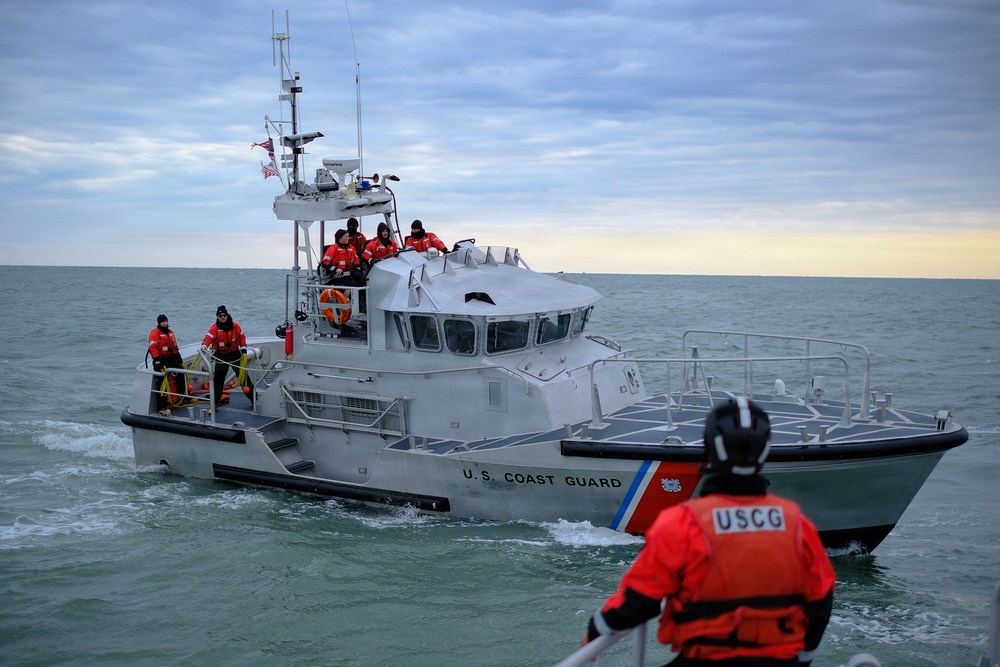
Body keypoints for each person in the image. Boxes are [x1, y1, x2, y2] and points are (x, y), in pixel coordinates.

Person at [583, 397, 835, 667]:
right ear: (765, 450)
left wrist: (594, 630)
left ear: (709, 447)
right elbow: (821, 600)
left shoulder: (681, 522)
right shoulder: (797, 524)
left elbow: (637, 603)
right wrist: (804, 659)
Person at [200, 306, 254, 407]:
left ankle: (254, 399)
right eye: (220, 316)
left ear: (227, 315)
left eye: (224, 315)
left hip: (235, 354)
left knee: (244, 378)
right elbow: (208, 337)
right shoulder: (214, 328)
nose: (223, 317)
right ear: (217, 317)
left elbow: (242, 337)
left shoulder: (235, 326)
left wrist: (244, 350)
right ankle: (215, 402)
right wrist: (204, 346)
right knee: (218, 380)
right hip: (221, 356)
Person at [148, 314, 185, 409]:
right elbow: (153, 348)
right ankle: (162, 405)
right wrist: (157, 360)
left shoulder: (170, 332)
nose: (165, 323)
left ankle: (183, 397)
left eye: (166, 321)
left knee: (181, 372)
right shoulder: (155, 333)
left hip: (170, 358)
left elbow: (174, 346)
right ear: (159, 323)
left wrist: (179, 358)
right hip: (160, 360)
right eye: (163, 322)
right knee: (161, 381)